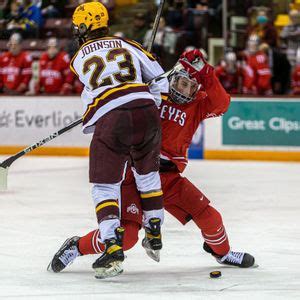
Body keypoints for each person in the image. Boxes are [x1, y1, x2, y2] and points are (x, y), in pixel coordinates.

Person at [48, 49, 255, 277]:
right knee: (126, 238)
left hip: (168, 178)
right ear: (172, 77)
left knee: (211, 218)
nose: (185, 90)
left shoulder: (198, 103)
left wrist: (206, 72)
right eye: (181, 83)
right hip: (136, 173)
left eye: (191, 86)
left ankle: (222, 253)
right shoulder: (151, 92)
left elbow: (222, 104)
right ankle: (76, 247)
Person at [48, 2, 169, 279]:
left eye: (79, 25)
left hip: (112, 120)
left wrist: (98, 115)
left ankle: (112, 248)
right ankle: (154, 231)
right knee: (148, 176)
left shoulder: (77, 58)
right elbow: (161, 82)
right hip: (147, 114)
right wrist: (148, 98)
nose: (76, 30)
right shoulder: (130, 44)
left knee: (104, 186)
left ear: (86, 26)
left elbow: (93, 104)